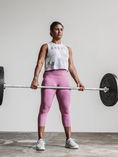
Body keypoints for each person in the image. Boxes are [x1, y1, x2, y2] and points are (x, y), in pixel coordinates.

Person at [30, 21, 85, 151]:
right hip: (50, 78)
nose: (59, 31)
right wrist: (35, 79)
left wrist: (78, 81)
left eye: (61, 29)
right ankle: (41, 140)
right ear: (51, 32)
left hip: (64, 79)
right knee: (44, 108)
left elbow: (71, 66)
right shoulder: (46, 46)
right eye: (56, 29)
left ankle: (69, 140)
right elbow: (40, 63)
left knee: (65, 110)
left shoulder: (68, 49)